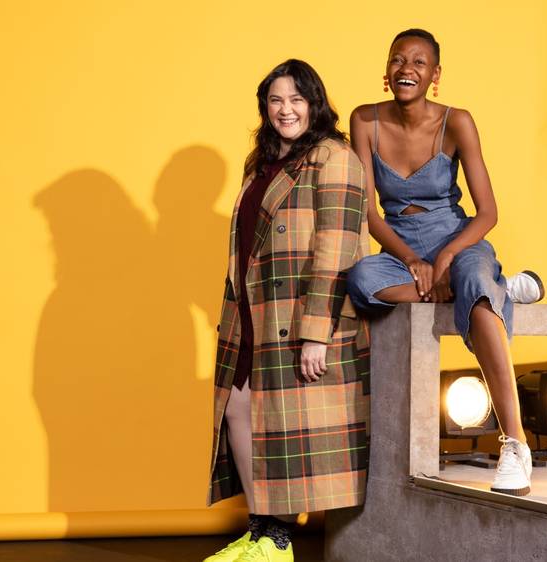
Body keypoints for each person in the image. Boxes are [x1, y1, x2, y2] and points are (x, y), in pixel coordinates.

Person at [347, 29, 542, 496]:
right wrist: (413, 260)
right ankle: (495, 288)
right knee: (360, 279)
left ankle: (515, 443)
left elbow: (488, 211)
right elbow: (369, 212)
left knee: (472, 286)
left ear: (435, 75)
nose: (406, 69)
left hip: (456, 237)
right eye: (398, 60)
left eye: (419, 62)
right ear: (386, 68)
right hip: (400, 246)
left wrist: (449, 256)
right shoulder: (364, 120)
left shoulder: (458, 121)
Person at [205, 59, 370, 562]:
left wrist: (316, 331)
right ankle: (261, 532)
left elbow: (337, 248)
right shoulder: (259, 164)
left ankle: (277, 542)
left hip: (299, 315)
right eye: (276, 100)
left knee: (286, 428)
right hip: (252, 313)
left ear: (314, 104)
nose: (286, 110)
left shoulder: (333, 157)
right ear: (265, 107)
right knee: (238, 410)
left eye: (297, 100)